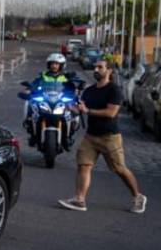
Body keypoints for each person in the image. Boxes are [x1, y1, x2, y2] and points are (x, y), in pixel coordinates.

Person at [59, 59, 146, 214]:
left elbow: (111, 112)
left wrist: (88, 111)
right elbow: (80, 109)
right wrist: (70, 107)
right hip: (91, 137)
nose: (96, 69)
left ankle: (138, 196)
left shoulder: (114, 90)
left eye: (100, 67)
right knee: (83, 165)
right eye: (95, 67)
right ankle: (80, 200)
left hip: (109, 137)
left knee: (119, 169)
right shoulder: (89, 90)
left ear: (109, 71)